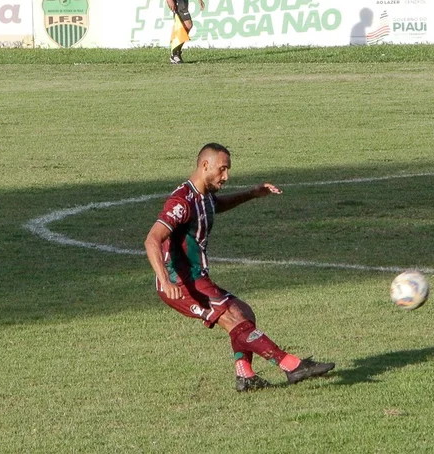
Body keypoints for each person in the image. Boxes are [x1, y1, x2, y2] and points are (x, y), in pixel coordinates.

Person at [144, 143, 335, 392]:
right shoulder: (181, 202)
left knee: (245, 313)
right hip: (181, 283)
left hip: (196, 278)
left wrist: (252, 193)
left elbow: (216, 205)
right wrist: (165, 281)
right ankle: (292, 365)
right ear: (205, 166)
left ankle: (245, 376)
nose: (226, 177)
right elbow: (152, 239)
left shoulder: (204, 196)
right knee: (234, 319)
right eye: (222, 170)